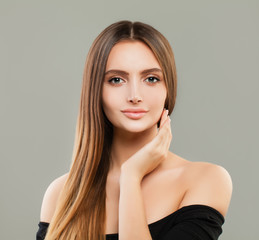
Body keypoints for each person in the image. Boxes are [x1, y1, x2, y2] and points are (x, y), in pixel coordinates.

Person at [36, 20, 232, 240]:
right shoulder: (61, 194)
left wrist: (131, 177)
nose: (135, 95)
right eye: (116, 80)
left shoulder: (204, 180)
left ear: (169, 88)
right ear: (95, 91)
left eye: (151, 79)